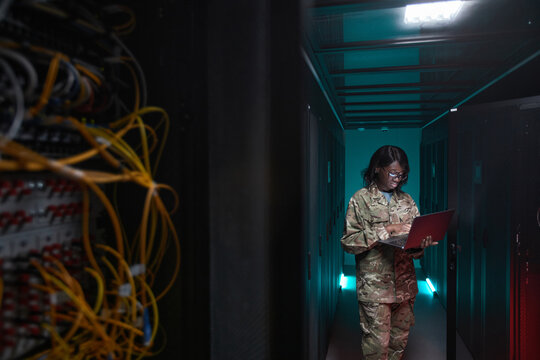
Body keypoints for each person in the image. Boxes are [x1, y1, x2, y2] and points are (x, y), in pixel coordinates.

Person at [340, 145, 436, 360]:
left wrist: (420, 245)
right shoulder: (361, 200)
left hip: (405, 287)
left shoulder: (407, 201)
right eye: (393, 173)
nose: (397, 179)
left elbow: (412, 247)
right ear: (377, 169)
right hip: (375, 290)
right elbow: (348, 243)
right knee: (377, 347)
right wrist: (386, 230)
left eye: (401, 175)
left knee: (398, 344)